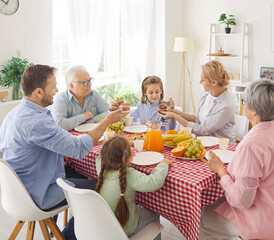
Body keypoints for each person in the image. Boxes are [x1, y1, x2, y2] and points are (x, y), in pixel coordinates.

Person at [0, 65, 127, 216]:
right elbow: (78, 148)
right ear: (38, 92)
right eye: (53, 87)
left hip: (16, 193)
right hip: (40, 194)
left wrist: (58, 154)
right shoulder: (37, 121)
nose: (57, 90)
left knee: (79, 172)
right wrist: (106, 121)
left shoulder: (13, 114)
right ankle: (72, 234)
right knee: (106, 186)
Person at [199, 79, 274, 240]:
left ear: (253, 111)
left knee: (204, 215)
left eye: (244, 101)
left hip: (264, 224)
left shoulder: (252, 145)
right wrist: (246, 146)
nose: (243, 105)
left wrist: (220, 170)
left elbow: (240, 201)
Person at [95, 136, 173, 239]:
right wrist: (163, 164)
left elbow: (101, 156)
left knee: (137, 206)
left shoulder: (101, 166)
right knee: (154, 211)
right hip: (127, 229)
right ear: (128, 157)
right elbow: (154, 182)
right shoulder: (129, 175)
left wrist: (126, 151)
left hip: (106, 228)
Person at [159, 60, 235, 140]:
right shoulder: (206, 95)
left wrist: (175, 117)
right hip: (205, 141)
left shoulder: (226, 106)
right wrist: (175, 112)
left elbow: (202, 130)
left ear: (214, 82)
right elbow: (198, 119)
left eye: (202, 80)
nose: (199, 82)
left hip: (221, 146)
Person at [51, 65, 109, 131]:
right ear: (71, 85)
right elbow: (60, 124)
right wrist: (83, 117)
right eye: (85, 82)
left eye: (89, 81)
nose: (89, 85)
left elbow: (107, 112)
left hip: (95, 135)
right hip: (72, 139)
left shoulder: (93, 94)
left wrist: (90, 121)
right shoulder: (60, 99)